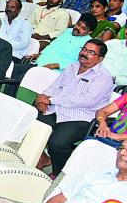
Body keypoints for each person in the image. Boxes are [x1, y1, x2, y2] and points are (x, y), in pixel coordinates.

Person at [35, 39, 113, 173]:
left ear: (100, 59)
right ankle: (44, 158)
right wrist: (42, 98)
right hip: (58, 109)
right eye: (84, 49)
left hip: (81, 117)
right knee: (32, 122)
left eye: (91, 52)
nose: (84, 53)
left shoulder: (103, 77)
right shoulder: (73, 67)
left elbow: (87, 101)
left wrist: (51, 100)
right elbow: (55, 86)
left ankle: (61, 175)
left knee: (57, 143)